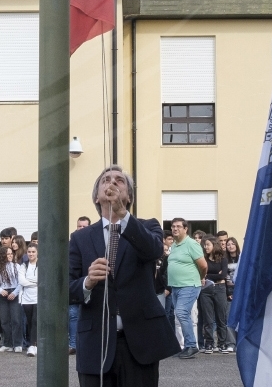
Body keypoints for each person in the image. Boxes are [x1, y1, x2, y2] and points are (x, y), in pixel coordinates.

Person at [69, 164, 179, 386]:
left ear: (128, 197)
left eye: (119, 181)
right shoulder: (80, 238)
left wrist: (122, 215)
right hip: (95, 344)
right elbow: (66, 289)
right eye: (105, 180)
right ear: (97, 197)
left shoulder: (148, 226)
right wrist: (87, 282)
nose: (112, 183)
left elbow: (154, 250)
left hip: (139, 343)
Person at [166, 217, 207, 359]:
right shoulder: (175, 245)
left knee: (182, 313)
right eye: (173, 227)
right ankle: (187, 346)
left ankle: (191, 345)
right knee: (180, 315)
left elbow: (203, 265)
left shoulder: (191, 244)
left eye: (178, 226)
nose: (175, 229)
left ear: (185, 229)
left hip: (189, 285)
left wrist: (201, 278)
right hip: (176, 287)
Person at [198, 237, 234, 355]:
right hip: (206, 290)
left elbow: (223, 275)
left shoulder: (223, 259)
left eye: (208, 245)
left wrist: (207, 276)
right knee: (208, 319)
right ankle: (209, 343)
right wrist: (213, 275)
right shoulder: (204, 259)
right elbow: (201, 273)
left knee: (221, 318)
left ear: (214, 245)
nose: (206, 247)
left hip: (220, 289)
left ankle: (222, 343)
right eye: (205, 245)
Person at [0, 244, 25, 353]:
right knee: (4, 320)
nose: (10, 256)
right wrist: (0, 290)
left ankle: (18, 343)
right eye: (7, 254)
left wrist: (14, 293)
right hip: (3, 294)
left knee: (16, 320)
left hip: (14, 292)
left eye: (11, 254)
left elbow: (21, 283)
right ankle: (7, 343)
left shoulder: (17, 266)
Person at [70, 216, 92, 355]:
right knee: (73, 316)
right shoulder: (73, 243)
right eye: (79, 226)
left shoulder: (94, 243)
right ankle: (73, 344)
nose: (81, 229)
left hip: (91, 290)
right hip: (75, 288)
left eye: (85, 227)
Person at [19, 244, 40, 357]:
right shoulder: (24, 266)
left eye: (33, 252)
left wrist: (31, 281)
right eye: (29, 252)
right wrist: (35, 283)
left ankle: (33, 345)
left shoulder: (41, 265)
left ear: (37, 253)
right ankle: (33, 344)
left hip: (38, 298)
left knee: (35, 320)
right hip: (26, 299)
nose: (31, 254)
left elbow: (42, 280)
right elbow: (22, 281)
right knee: (30, 321)